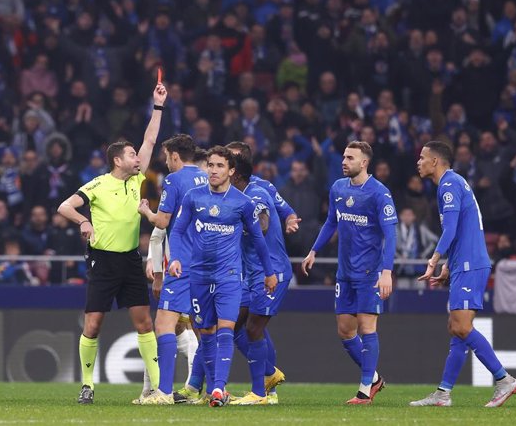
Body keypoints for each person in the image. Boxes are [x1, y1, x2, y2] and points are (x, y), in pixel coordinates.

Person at [57, 82, 168, 404]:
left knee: (144, 322)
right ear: (117, 160)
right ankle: (88, 384)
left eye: (136, 155)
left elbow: (150, 139)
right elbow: (65, 206)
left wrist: (157, 105)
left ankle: (154, 388)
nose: (138, 158)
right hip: (103, 261)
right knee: (93, 324)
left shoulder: (137, 179)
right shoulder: (98, 184)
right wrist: (84, 220)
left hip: (131, 259)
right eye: (132, 155)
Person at [411, 141, 516, 408]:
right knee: (456, 329)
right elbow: (460, 228)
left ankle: (503, 379)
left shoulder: (448, 185)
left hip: (471, 264)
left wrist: (434, 260)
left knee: (461, 327)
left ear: (435, 162)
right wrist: (448, 266)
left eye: (423, 157)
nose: (419, 162)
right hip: (464, 263)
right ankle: (443, 393)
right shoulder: (453, 183)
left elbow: (449, 231)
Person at [168, 146, 276, 407]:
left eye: (219, 166)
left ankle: (218, 389)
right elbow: (177, 231)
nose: (213, 170)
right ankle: (213, 388)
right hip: (199, 276)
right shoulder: (194, 197)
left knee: (226, 329)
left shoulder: (242, 203)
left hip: (229, 276)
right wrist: (176, 258)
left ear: (231, 171)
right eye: (210, 165)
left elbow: (259, 241)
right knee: (205, 333)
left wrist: (269, 272)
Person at [302, 141, 396, 405]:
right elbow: (332, 220)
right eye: (343, 156)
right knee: (345, 331)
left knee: (367, 327)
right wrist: (314, 250)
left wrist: (386, 272)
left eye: (350, 158)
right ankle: (375, 378)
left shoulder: (379, 193)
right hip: (345, 272)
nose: (344, 161)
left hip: (370, 272)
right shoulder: (338, 188)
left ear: (364, 162)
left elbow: (391, 234)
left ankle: (365, 390)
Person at [136, 134, 209, 404]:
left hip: (182, 263)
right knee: (204, 329)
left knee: (164, 324)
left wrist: (146, 211)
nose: (166, 161)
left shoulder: (175, 180)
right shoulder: (207, 177)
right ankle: (209, 389)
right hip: (208, 264)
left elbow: (164, 222)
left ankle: (164, 392)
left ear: (175, 156)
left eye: (167, 156)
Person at [228, 154, 295, 405]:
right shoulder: (238, 194)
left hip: (271, 272)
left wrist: (239, 224)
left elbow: (264, 224)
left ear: (234, 174)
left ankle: (260, 392)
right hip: (252, 273)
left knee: (254, 328)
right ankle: (269, 373)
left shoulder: (254, 194)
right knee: (235, 325)